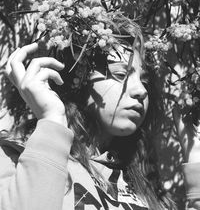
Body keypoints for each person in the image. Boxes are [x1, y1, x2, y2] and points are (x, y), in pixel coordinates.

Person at [0, 20, 200, 210]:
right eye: (120, 75)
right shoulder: (15, 156)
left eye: (144, 81)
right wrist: (52, 119)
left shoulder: (141, 180)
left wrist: (195, 158)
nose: (141, 90)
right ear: (76, 82)